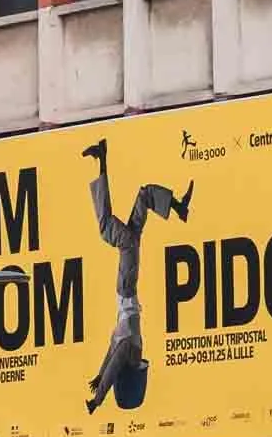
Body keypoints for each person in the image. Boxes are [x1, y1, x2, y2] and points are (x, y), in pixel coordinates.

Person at [81, 139, 194, 413]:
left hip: (127, 281)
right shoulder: (131, 351)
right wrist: (97, 400)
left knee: (143, 199)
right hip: (127, 284)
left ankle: (177, 206)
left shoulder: (122, 345)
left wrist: (98, 376)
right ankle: (103, 158)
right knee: (108, 229)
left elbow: (109, 357)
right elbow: (114, 366)